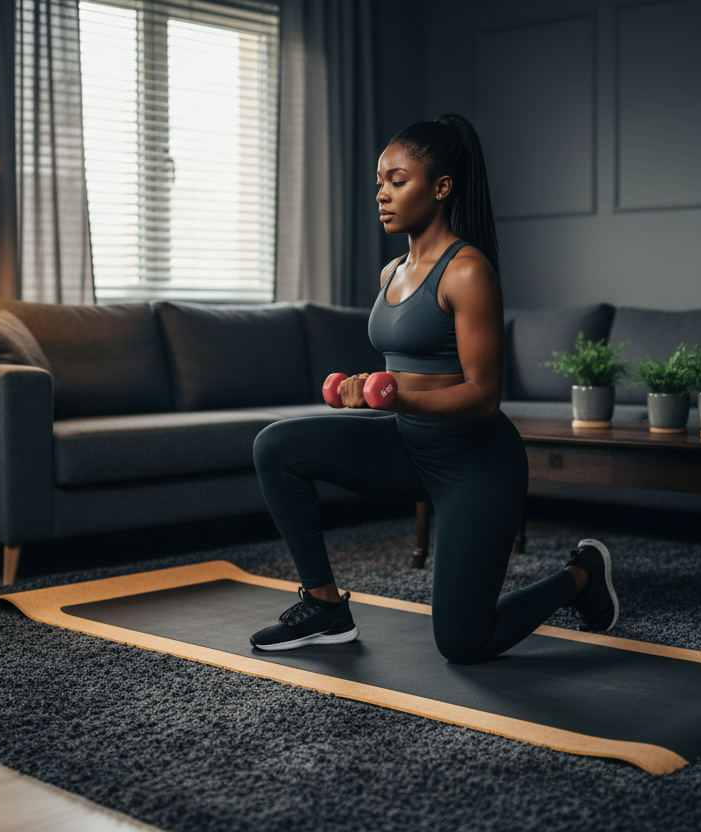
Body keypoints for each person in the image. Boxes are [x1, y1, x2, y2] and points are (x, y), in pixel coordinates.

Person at [249, 114, 618, 664]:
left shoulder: (467, 271)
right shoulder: (390, 272)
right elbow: (407, 369)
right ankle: (325, 606)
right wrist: (366, 388)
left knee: (465, 643)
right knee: (275, 445)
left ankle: (582, 575)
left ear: (441, 187)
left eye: (398, 181)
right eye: (380, 182)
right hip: (409, 444)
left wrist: (391, 396)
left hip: (476, 463)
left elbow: (483, 395)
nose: (382, 193)